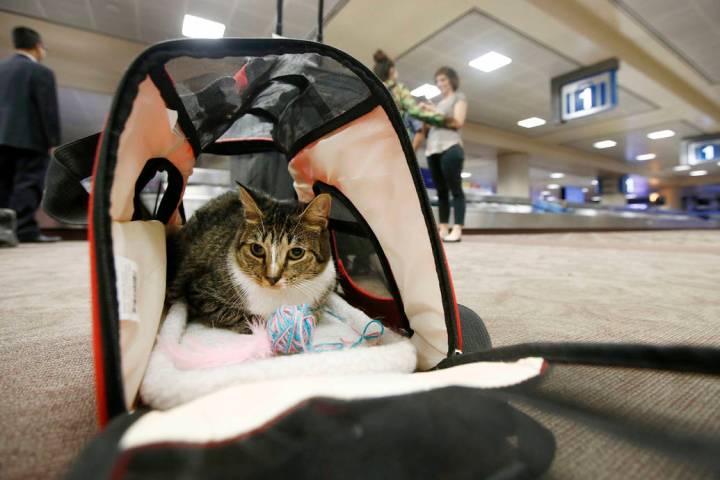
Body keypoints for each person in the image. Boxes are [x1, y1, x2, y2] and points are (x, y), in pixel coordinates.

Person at [0, 26, 61, 245]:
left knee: (3, 183)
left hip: (2, 139)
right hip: (30, 140)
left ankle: (3, 230)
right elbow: (47, 110)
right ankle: (24, 229)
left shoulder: (2, 69)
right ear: (38, 47)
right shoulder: (41, 73)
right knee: (29, 183)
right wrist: (53, 142)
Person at [372, 50, 451, 150]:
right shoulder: (398, 89)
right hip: (396, 137)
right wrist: (441, 119)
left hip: (378, 139)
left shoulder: (373, 91)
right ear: (391, 70)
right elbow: (414, 110)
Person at [423, 66, 467, 243]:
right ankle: (442, 228)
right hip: (432, 148)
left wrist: (434, 112)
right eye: (437, 81)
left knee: (455, 190)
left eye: (443, 80)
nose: (440, 84)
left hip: (451, 147)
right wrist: (426, 114)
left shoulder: (459, 97)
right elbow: (427, 130)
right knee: (441, 191)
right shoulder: (438, 104)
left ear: (451, 80)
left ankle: (457, 229)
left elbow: (457, 122)